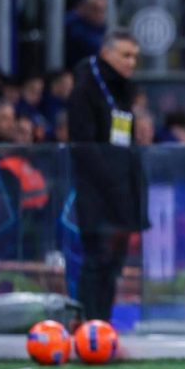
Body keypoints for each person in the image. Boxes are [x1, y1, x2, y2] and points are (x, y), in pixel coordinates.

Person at [67, 28, 148, 322]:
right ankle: (88, 324)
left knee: (113, 265)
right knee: (97, 261)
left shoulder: (123, 91)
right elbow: (83, 147)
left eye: (135, 57)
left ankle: (103, 324)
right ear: (106, 54)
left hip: (122, 195)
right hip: (97, 195)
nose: (131, 62)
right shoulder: (85, 89)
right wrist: (112, 183)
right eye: (125, 55)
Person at [65, 0, 107, 69]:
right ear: (83, 8)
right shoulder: (73, 26)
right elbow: (96, 47)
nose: (100, 14)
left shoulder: (101, 26)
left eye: (103, 10)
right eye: (95, 9)